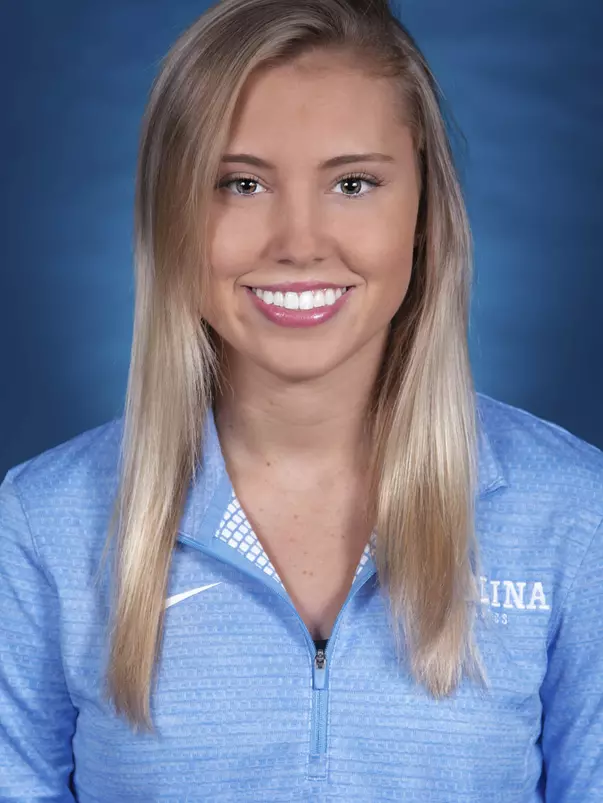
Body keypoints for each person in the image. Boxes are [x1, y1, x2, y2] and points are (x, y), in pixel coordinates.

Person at [1, 0, 602, 799]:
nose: (298, 241)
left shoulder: (570, 514)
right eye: (240, 183)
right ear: (170, 213)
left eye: (353, 183)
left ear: (422, 212)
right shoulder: (41, 524)